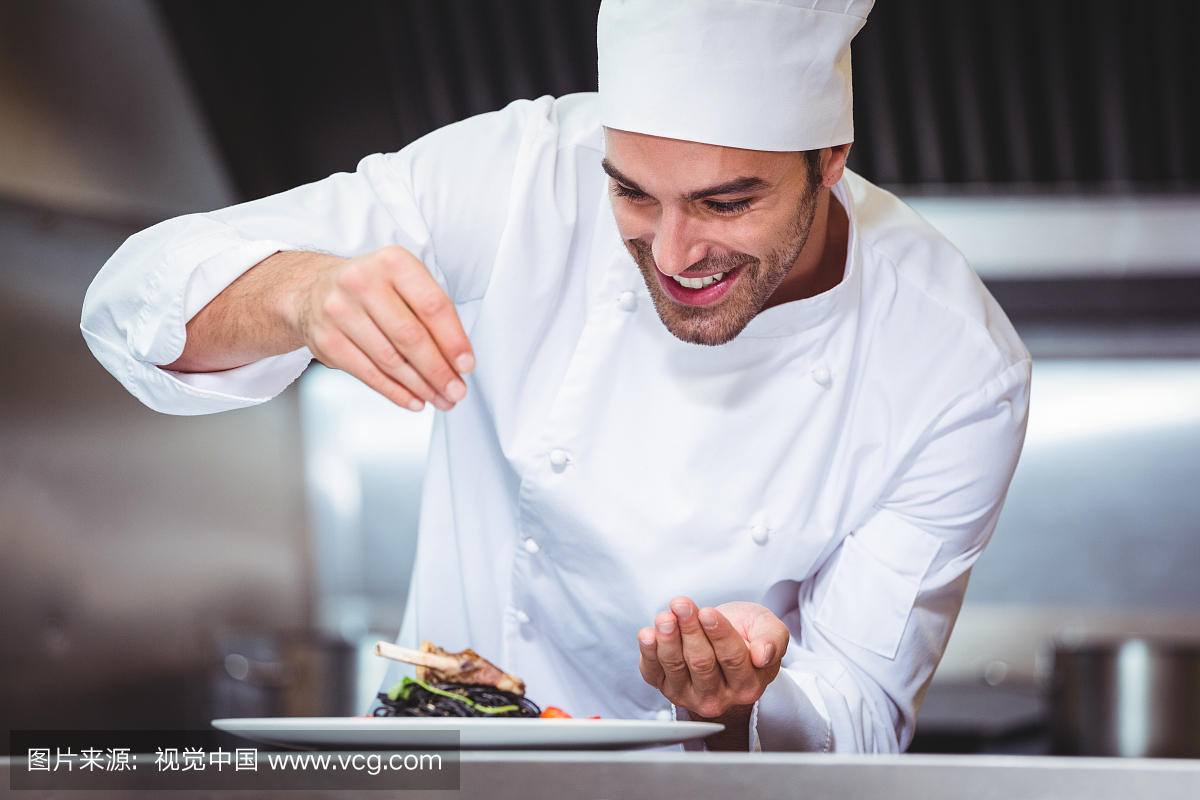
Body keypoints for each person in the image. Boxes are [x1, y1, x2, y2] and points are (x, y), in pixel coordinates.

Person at [81, 0, 1029, 752]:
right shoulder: (519, 174)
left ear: (829, 161)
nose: (673, 251)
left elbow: (861, 714)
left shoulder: (951, 365)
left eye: (725, 201)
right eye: (631, 192)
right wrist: (298, 293)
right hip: (443, 765)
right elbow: (129, 301)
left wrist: (746, 703)